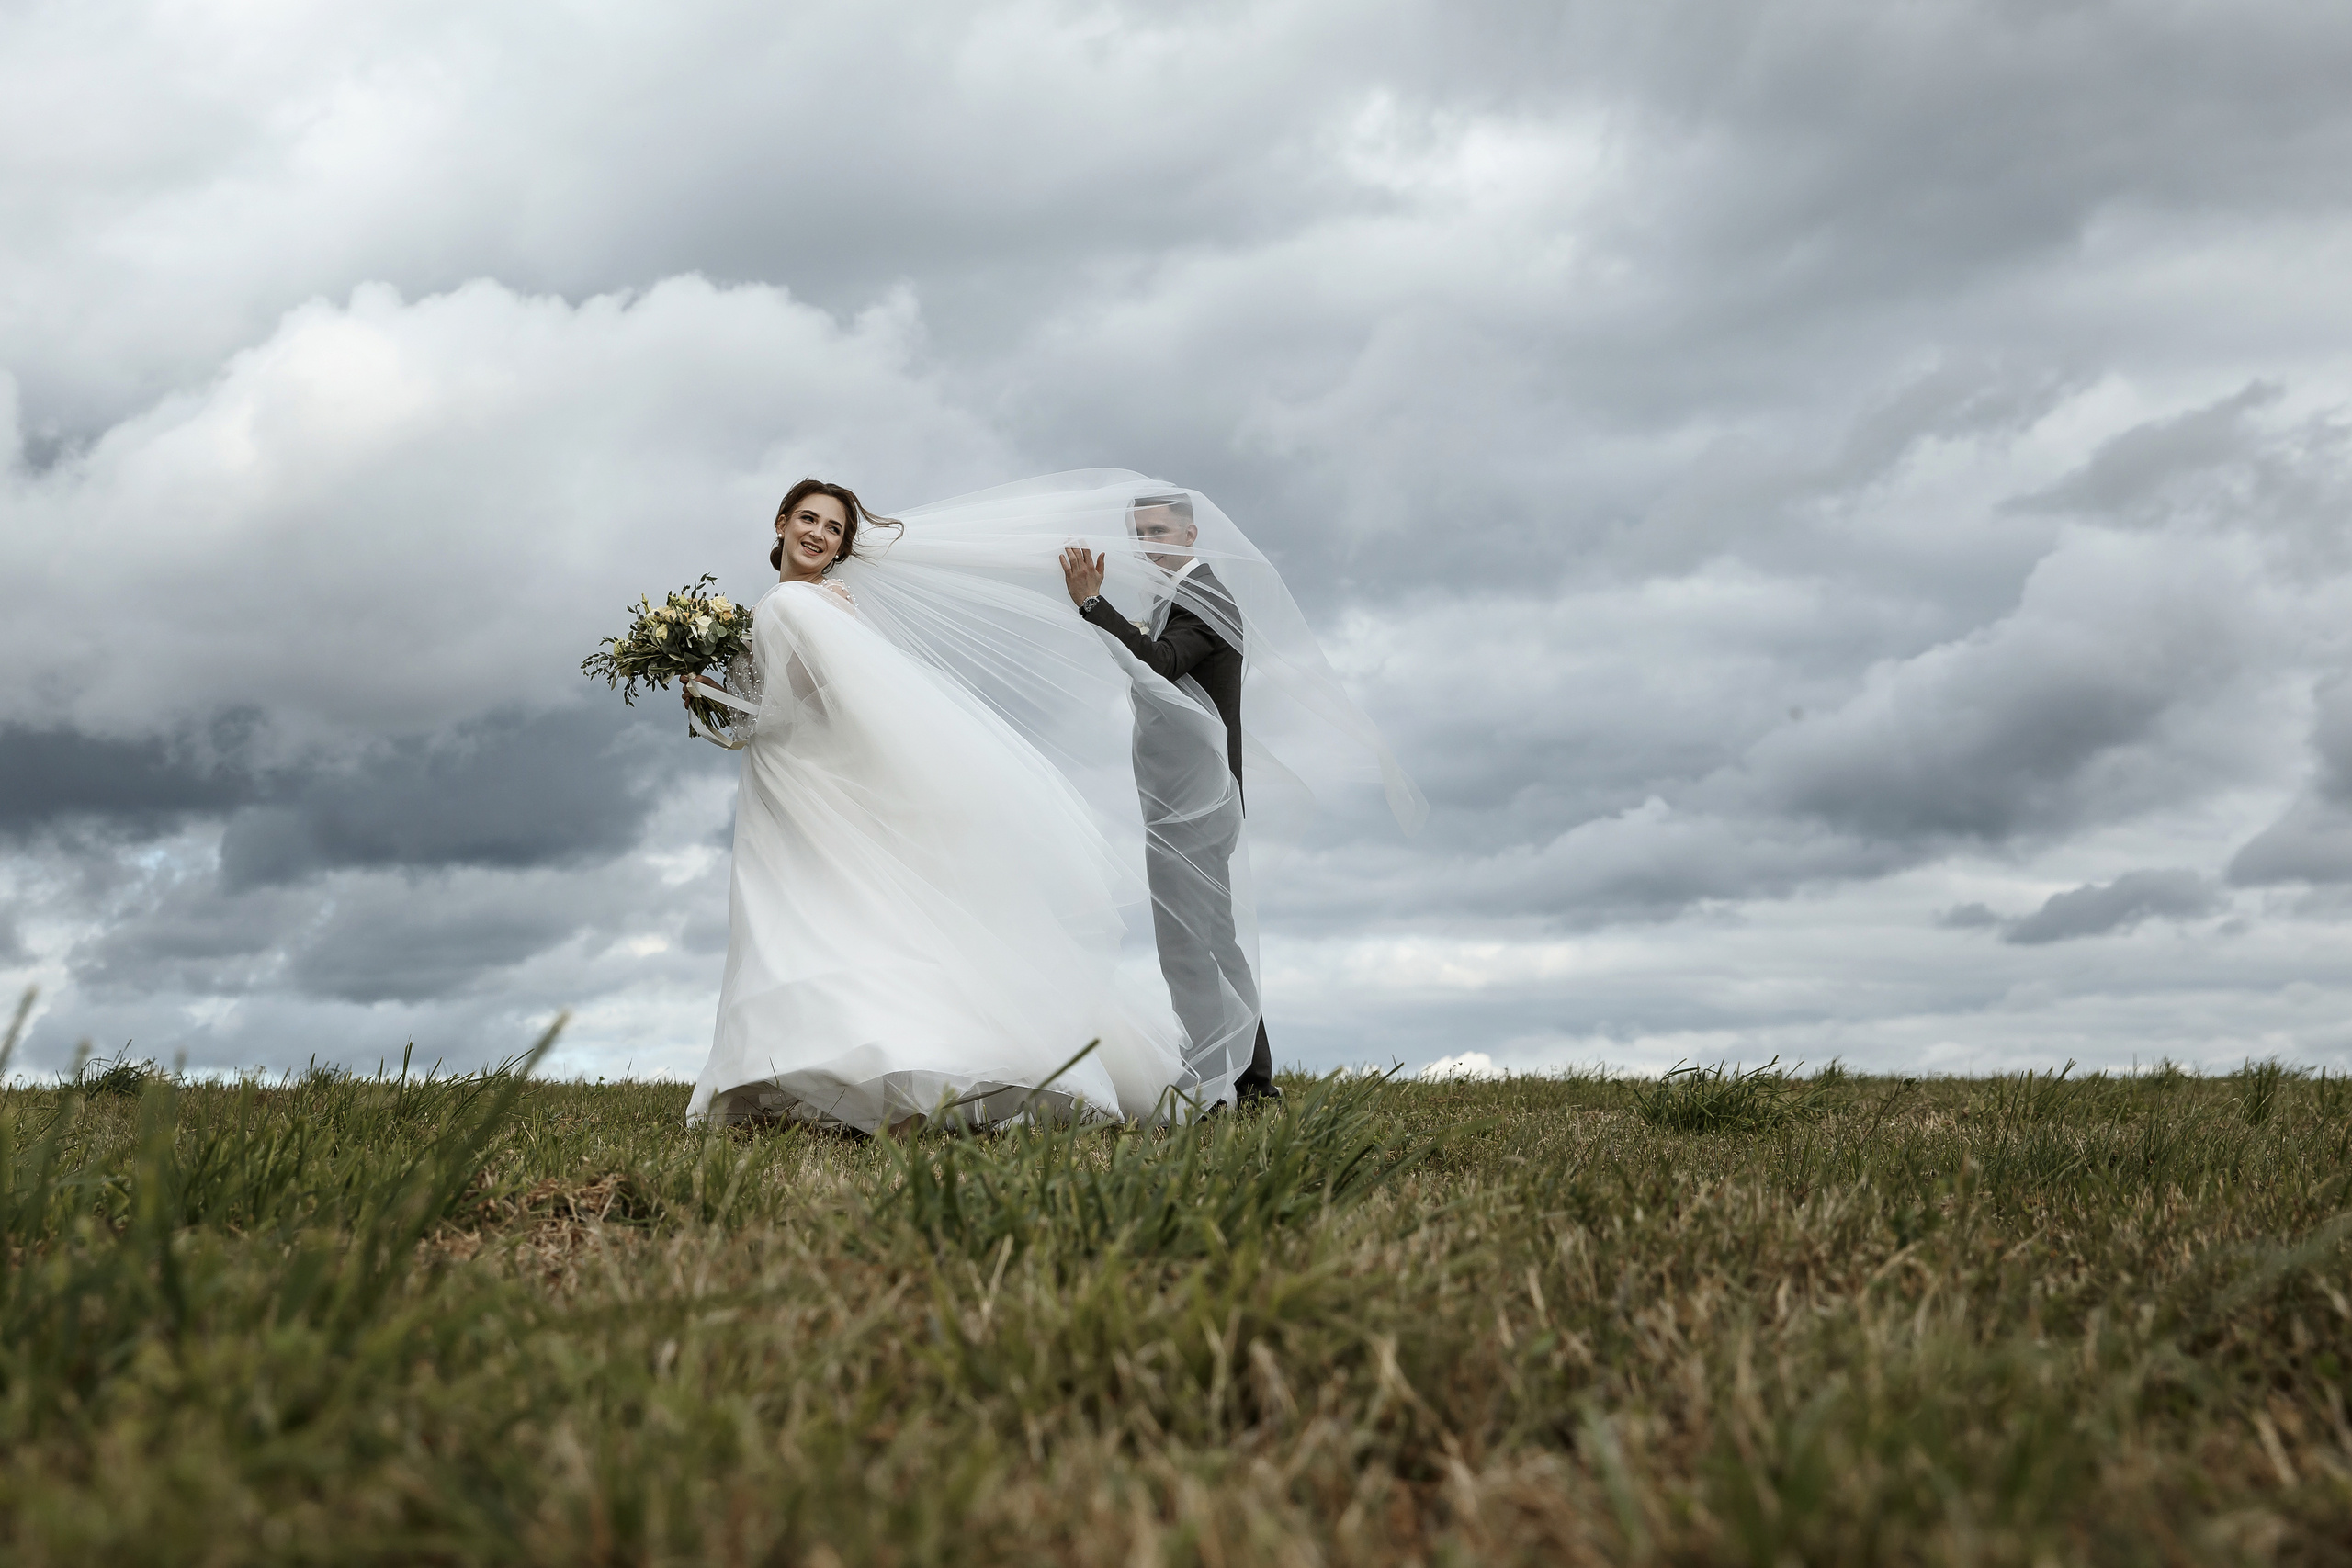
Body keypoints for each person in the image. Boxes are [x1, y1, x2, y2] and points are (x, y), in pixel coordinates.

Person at [679, 479, 1183, 1133]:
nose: (819, 535)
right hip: (786, 775)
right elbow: (764, 714)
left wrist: (734, 703)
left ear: (842, 546)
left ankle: (865, 1067)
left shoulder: (797, 604)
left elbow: (815, 702)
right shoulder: (791, 605)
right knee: (804, 912)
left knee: (811, 911)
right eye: (808, 519)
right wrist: (712, 697)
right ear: (780, 523)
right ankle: (810, 1074)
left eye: (834, 529)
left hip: (810, 777)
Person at [1058, 494, 1278, 1105]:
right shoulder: (1173, 598)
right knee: (1207, 941)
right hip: (1182, 799)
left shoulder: (1203, 598)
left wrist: (1092, 604)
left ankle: (1228, 1082)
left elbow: (1161, 662)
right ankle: (1241, 1077)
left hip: (1200, 804)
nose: (1146, 543)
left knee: (1195, 944)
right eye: (1138, 533)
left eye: (1158, 531)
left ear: (1190, 533)